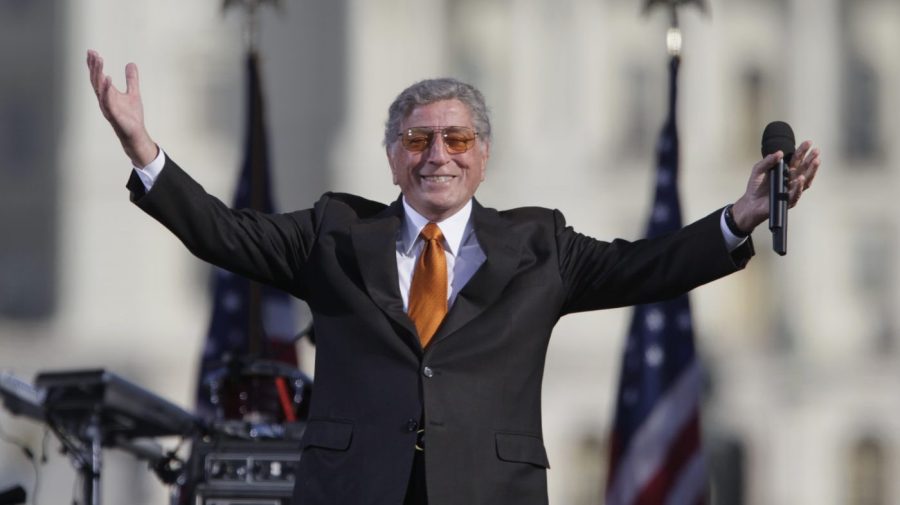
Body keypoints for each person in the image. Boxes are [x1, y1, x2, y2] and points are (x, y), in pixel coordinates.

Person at [86, 49, 820, 505]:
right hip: (353, 489)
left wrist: (741, 214)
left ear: (483, 154)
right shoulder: (335, 232)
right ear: (394, 157)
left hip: (488, 489)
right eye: (418, 138)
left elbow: (644, 266)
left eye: (457, 137)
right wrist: (144, 149)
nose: (438, 153)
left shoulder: (541, 245)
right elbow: (224, 232)